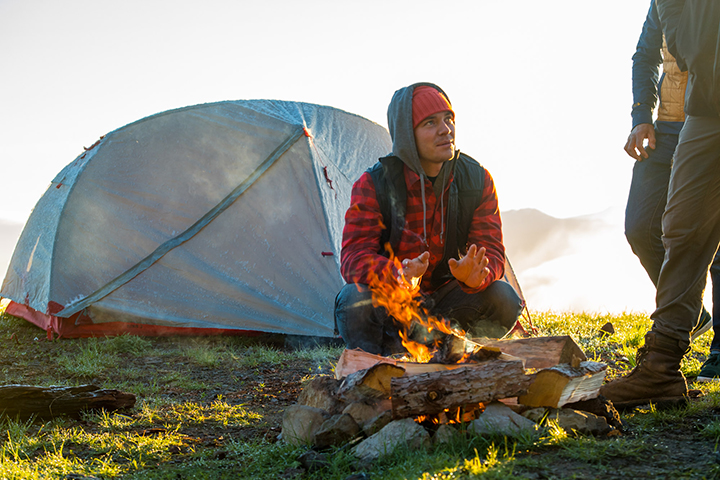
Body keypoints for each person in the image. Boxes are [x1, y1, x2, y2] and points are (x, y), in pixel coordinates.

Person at [334, 83, 522, 356]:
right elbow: (353, 258)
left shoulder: (477, 180)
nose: (445, 129)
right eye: (430, 123)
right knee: (354, 299)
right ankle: (378, 364)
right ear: (408, 135)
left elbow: (491, 250)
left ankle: (464, 356)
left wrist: (477, 276)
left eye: (448, 119)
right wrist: (399, 274)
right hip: (395, 307)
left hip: (449, 306)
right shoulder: (374, 184)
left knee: (504, 298)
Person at [601, 0, 720, 403]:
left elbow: (691, 46)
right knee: (669, 230)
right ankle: (666, 360)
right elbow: (658, 51)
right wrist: (641, 114)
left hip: (702, 114)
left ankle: (695, 352)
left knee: (696, 237)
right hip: (689, 119)